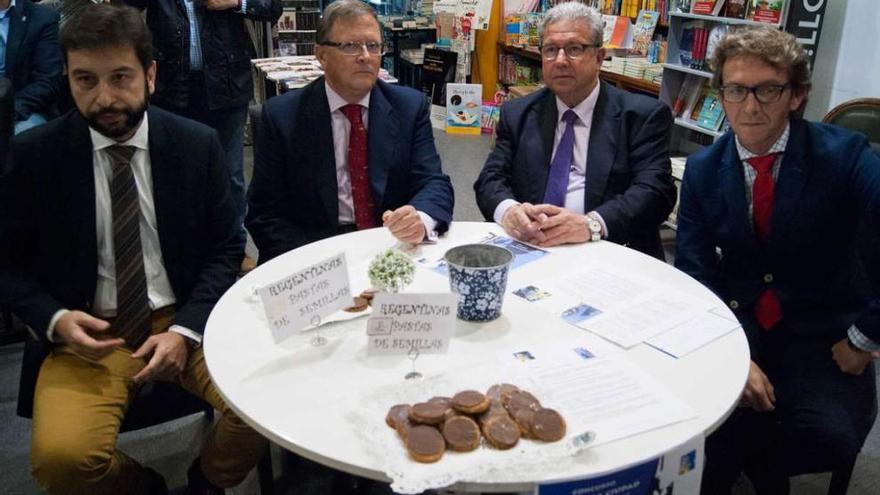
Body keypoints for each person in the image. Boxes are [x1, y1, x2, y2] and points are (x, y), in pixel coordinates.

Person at [0, 5, 265, 494]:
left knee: (268, 405)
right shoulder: (36, 155)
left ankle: (206, 483)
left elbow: (226, 246)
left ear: (151, 75)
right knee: (62, 461)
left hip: (185, 317)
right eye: (86, 80)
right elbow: (7, 264)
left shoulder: (194, 144)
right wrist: (55, 318)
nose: (105, 98)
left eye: (120, 77)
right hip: (89, 333)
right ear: (68, 79)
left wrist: (186, 329)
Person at [674, 26, 880, 494]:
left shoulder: (844, 156)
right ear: (720, 94)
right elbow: (695, 271)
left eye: (767, 89)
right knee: (701, 430)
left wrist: (865, 335)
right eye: (735, 90)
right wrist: (734, 357)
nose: (749, 106)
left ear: (797, 95)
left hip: (825, 336)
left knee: (823, 436)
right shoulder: (704, 171)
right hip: (740, 327)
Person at [246, 0, 454, 263]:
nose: (365, 56)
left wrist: (419, 220)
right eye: (350, 45)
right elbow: (264, 213)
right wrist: (323, 264)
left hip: (391, 245)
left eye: (373, 45)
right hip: (316, 252)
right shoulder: (282, 116)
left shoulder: (408, 107)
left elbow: (433, 182)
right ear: (321, 55)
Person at [473, 2, 675, 259]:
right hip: (533, 246)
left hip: (609, 250)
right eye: (550, 50)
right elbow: (490, 179)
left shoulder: (642, 116)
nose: (560, 60)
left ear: (600, 57)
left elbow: (655, 192)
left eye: (574, 49)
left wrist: (591, 224)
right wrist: (509, 211)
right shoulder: (518, 113)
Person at [122, 0, 283, 271]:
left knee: (230, 173)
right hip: (171, 86)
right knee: (172, 173)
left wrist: (235, 2)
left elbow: (271, 6)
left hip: (226, 81)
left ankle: (235, 248)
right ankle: (181, 250)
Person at [1, 0, 63, 134]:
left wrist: (7, 111)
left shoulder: (41, 18)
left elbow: (47, 82)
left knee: (22, 140)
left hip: (22, 109)